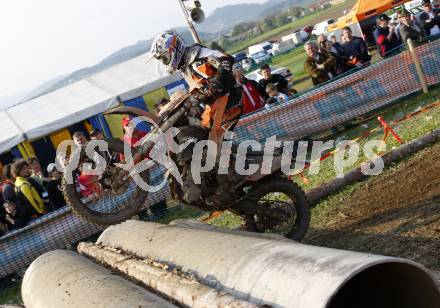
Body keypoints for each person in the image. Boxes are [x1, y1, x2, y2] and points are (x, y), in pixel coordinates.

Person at [151, 30, 243, 206]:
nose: (165, 62)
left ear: (173, 48)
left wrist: (216, 82)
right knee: (194, 135)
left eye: (164, 58)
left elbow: (226, 60)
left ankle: (228, 185)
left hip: (229, 102)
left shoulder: (199, 56)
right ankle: (209, 179)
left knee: (211, 145)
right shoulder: (185, 67)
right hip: (213, 108)